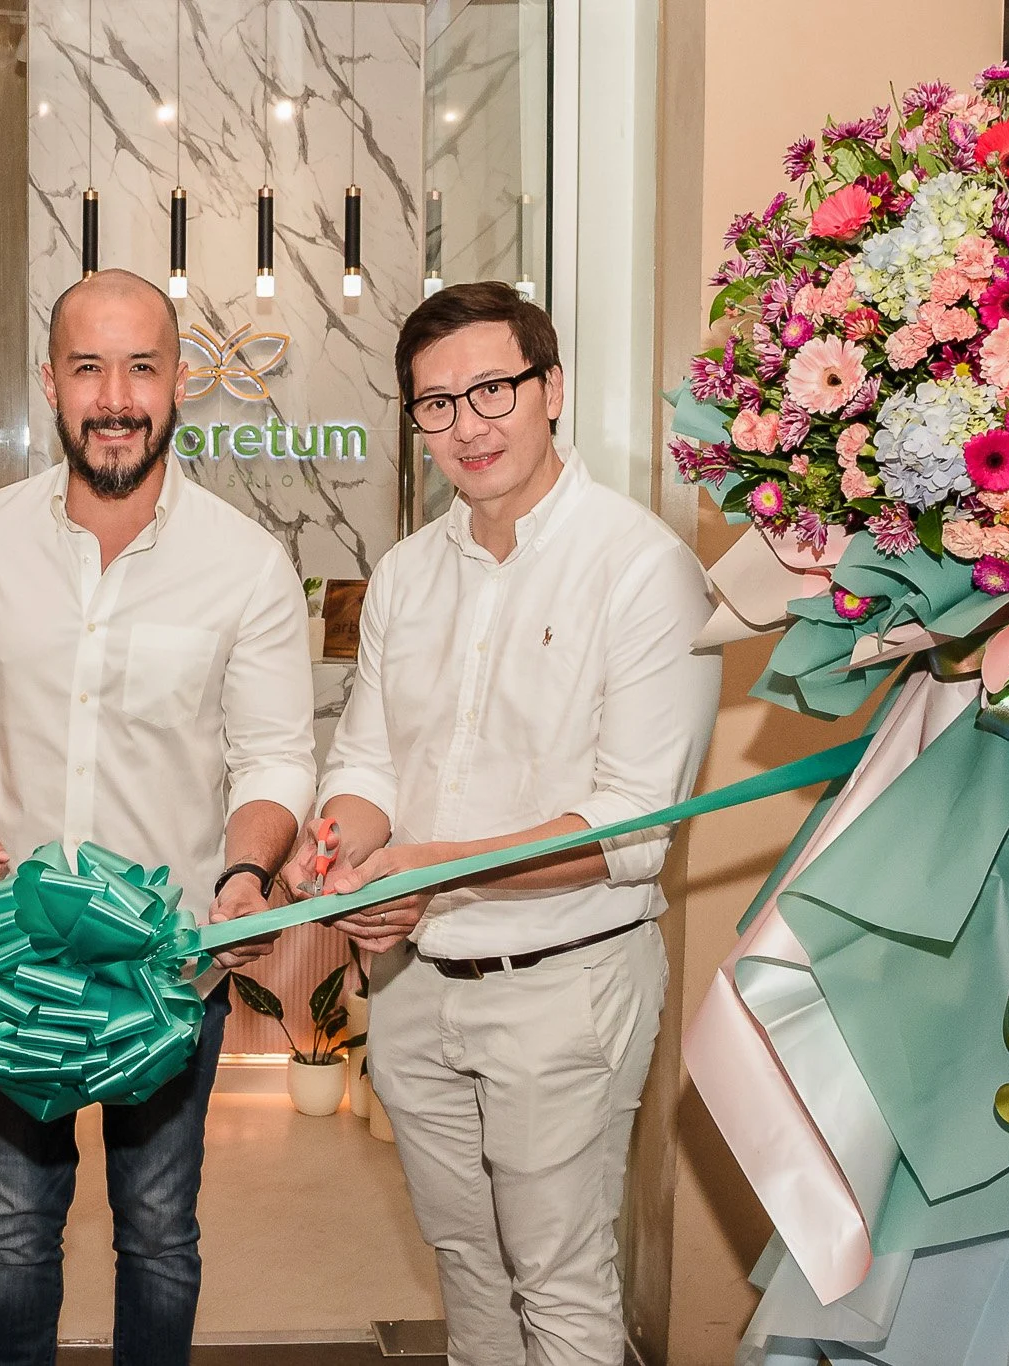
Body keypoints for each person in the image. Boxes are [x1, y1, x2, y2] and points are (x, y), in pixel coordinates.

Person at [0, 267, 317, 1366]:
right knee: (17, 1231)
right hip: (12, 954)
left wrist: (246, 876)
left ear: (178, 383)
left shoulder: (245, 565)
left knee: (159, 1231)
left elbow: (273, 755)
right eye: (87, 367)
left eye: (139, 366)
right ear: (49, 384)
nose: (113, 395)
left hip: (170, 966)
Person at [279, 282, 720, 1366]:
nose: (466, 425)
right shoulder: (404, 575)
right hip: (417, 982)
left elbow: (630, 829)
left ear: (550, 388)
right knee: (465, 1268)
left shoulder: (642, 568)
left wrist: (430, 870)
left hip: (566, 983)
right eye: (434, 404)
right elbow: (370, 761)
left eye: (491, 390)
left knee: (561, 1285)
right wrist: (338, 839)